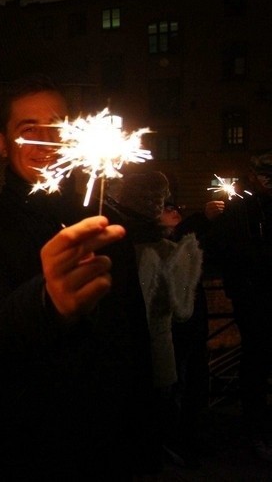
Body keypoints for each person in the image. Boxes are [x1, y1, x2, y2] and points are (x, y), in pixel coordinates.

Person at [0, 74, 158, 479]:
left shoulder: (108, 222)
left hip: (113, 448)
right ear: (1, 145)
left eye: (57, 128)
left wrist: (144, 444)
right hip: (30, 449)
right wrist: (49, 303)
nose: (47, 141)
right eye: (29, 131)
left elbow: (132, 339)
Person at [111, 172, 203, 469]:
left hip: (124, 351)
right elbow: (183, 308)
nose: (157, 203)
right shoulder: (162, 249)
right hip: (154, 348)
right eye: (155, 198)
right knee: (157, 409)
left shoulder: (114, 239)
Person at [206, 148, 272, 461]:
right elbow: (224, 251)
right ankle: (255, 431)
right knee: (256, 363)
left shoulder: (245, 208)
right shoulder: (240, 210)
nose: (267, 180)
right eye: (264, 174)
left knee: (256, 364)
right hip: (254, 299)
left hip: (254, 296)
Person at [162, 199, 224, 466]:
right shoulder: (156, 246)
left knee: (193, 380)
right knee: (177, 383)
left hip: (191, 327)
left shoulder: (181, 238)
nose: (176, 210)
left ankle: (190, 435)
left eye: (177, 206)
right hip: (174, 330)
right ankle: (177, 439)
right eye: (167, 207)